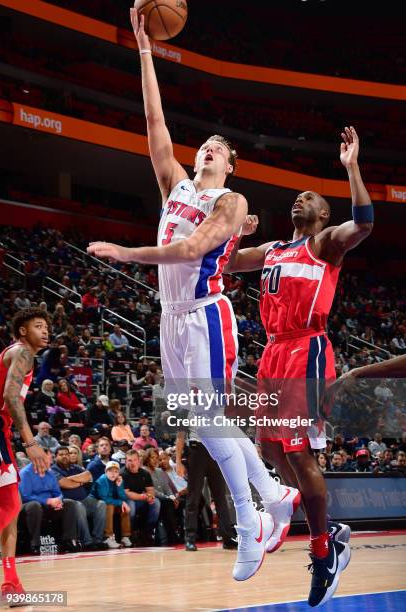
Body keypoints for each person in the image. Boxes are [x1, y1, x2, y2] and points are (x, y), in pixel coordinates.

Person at [87, 6, 299, 582]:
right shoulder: (175, 187)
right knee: (201, 422)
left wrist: (127, 254)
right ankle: (274, 495)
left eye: (217, 146)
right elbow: (155, 122)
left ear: (231, 164)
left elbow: (188, 252)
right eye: (203, 143)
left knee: (209, 418)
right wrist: (144, 51)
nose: (207, 147)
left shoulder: (229, 204)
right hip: (170, 320)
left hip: (208, 316)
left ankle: (253, 522)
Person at [226, 126, 373, 605]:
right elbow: (225, 265)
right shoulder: (274, 249)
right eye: (294, 197)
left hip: (304, 348)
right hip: (272, 350)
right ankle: (328, 529)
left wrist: (351, 168)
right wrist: (230, 232)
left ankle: (322, 549)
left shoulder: (325, 242)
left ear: (323, 213)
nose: (298, 200)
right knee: (269, 449)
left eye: (307, 197)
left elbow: (365, 223)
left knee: (297, 452)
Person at [0, 308, 51, 599]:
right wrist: (30, 443)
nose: (45, 331)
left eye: (47, 327)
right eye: (38, 325)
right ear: (22, 331)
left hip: (2, 432)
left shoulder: (16, 353)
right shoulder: (23, 352)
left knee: (11, 507)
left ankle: (10, 584)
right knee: (9, 507)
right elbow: (8, 396)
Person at [19, 449, 79, 554]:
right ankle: (34, 544)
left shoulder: (50, 472)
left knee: (70, 504)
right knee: (34, 506)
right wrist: (47, 501)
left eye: (50, 459)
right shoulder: (25, 473)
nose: (50, 462)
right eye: (47, 459)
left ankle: (68, 541)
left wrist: (58, 500)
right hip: (30, 506)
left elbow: (58, 492)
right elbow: (26, 496)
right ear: (38, 459)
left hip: (49, 506)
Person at [51, 446, 107, 551]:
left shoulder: (75, 467)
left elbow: (88, 476)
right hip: (67, 503)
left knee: (101, 504)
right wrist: (80, 481)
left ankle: (98, 540)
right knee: (79, 506)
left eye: (66, 454)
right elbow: (63, 483)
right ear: (55, 457)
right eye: (61, 455)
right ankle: (87, 542)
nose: (64, 456)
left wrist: (71, 480)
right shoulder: (53, 470)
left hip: (84, 499)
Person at [121, 449, 160, 545]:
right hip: (125, 500)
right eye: (129, 460)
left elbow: (150, 490)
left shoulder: (145, 473)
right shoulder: (123, 474)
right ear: (126, 461)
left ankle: (148, 531)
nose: (132, 463)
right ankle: (131, 533)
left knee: (156, 503)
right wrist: (143, 497)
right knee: (131, 506)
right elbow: (127, 493)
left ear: (139, 460)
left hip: (140, 499)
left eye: (134, 460)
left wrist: (150, 497)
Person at [90, 461, 131, 549]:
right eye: (110, 471)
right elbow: (104, 499)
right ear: (105, 471)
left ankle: (125, 537)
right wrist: (121, 502)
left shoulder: (119, 480)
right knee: (109, 506)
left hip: (111, 502)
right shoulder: (102, 480)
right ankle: (108, 537)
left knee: (124, 507)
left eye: (116, 471)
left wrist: (119, 486)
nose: (113, 474)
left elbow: (123, 498)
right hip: (97, 503)